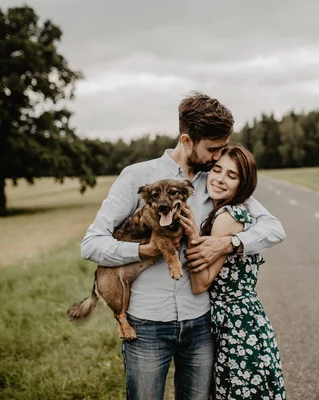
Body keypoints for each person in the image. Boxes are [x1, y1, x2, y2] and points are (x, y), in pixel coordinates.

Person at [80, 92, 286, 400]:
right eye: (213, 149)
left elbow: (273, 228)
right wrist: (143, 251)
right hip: (147, 324)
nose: (218, 158)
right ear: (187, 140)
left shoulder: (214, 180)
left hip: (201, 325)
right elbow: (91, 244)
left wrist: (227, 244)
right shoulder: (137, 176)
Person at [179, 145, 286, 400]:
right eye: (217, 170)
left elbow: (200, 284)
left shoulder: (227, 217)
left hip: (235, 326)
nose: (220, 179)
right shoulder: (233, 212)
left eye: (232, 175)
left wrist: (193, 236)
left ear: (243, 183)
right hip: (245, 319)